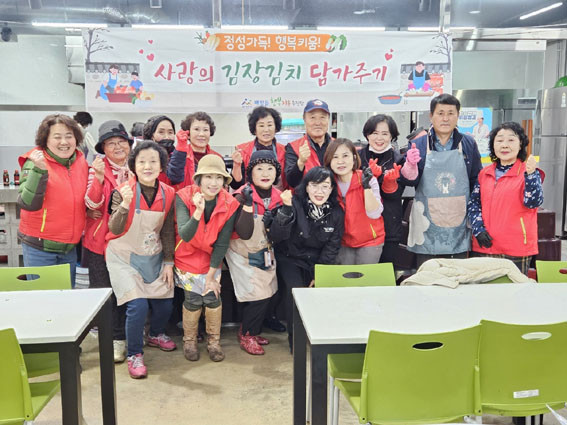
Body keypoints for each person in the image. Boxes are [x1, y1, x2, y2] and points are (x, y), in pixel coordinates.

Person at [105, 141, 177, 379]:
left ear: (161, 166)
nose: (148, 166)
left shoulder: (169, 194)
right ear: (134, 165)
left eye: (153, 161)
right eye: (142, 161)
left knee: (165, 301)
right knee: (138, 305)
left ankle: (155, 334)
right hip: (123, 257)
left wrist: (168, 262)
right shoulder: (122, 191)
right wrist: (125, 204)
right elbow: (114, 228)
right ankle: (134, 354)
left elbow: (167, 230)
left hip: (153, 255)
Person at [267, 167, 344, 351]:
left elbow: (332, 246)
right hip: (289, 257)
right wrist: (286, 209)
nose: (320, 191)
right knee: (295, 292)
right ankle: (296, 339)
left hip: (316, 261)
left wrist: (319, 273)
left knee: (320, 292)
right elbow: (276, 236)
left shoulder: (336, 213)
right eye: (314, 185)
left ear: (332, 189)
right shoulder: (294, 203)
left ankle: (320, 335)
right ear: (306, 187)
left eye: (325, 186)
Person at [175, 155, 240, 362]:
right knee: (193, 299)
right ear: (199, 179)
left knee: (212, 297)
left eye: (219, 177)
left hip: (212, 257)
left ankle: (214, 342)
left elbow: (222, 242)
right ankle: (189, 341)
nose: (214, 183)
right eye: (208, 177)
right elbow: (185, 235)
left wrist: (211, 275)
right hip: (187, 256)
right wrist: (198, 212)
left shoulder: (230, 203)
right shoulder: (183, 196)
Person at [406, 94, 482, 268]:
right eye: (440, 113)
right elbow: (410, 181)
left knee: (457, 275)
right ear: (431, 116)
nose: (445, 118)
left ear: (458, 115)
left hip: (458, 220)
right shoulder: (419, 144)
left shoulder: (468, 143)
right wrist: (409, 166)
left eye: (450, 113)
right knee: (427, 274)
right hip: (426, 222)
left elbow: (476, 180)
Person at [226, 151, 290, 355]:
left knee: (270, 291)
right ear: (250, 173)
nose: (265, 173)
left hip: (265, 251)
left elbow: (280, 233)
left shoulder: (280, 197)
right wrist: (246, 204)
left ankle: (251, 330)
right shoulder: (240, 195)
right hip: (241, 252)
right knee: (257, 295)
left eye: (270, 168)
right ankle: (247, 335)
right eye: (259, 168)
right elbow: (241, 232)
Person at [17, 114, 88, 287]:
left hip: (69, 248)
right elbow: (27, 203)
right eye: (57, 137)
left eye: (69, 136)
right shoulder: (35, 162)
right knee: (43, 298)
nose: (64, 142)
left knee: (65, 297)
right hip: (40, 248)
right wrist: (39, 171)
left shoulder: (80, 161)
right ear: (45, 140)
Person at [83, 120, 133, 363]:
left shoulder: (137, 169)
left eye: (122, 141)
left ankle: (125, 336)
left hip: (128, 243)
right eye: (111, 143)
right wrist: (100, 178)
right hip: (99, 243)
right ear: (103, 148)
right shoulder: (95, 169)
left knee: (126, 291)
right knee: (105, 293)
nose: (118, 147)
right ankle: (112, 340)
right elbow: (91, 204)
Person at [468, 122, 544, 275]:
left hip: (517, 248)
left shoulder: (529, 172)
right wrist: (478, 230)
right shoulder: (484, 173)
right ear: (493, 145)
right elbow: (474, 204)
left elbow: (533, 202)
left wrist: (530, 175)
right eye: (499, 140)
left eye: (511, 140)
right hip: (485, 245)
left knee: (514, 289)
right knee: (483, 289)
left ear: (520, 144)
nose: (504, 145)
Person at [358, 115, 421, 265]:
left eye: (385, 133)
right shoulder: (357, 158)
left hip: (390, 227)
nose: (379, 138)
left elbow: (409, 183)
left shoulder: (398, 159)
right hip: (360, 227)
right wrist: (368, 180)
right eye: (375, 133)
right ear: (367, 135)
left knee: (385, 271)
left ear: (392, 136)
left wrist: (410, 166)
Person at [324, 138, 385, 264]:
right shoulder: (328, 182)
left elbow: (374, 213)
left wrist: (366, 187)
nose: (340, 161)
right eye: (335, 157)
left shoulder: (367, 178)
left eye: (345, 156)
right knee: (345, 276)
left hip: (370, 240)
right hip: (342, 241)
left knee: (365, 276)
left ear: (354, 158)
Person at [230, 106, 288, 191]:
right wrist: (236, 165)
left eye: (270, 125)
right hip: (249, 197)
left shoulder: (285, 151)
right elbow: (236, 185)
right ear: (254, 129)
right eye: (261, 125)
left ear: (276, 128)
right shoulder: (242, 150)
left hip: (278, 197)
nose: (266, 129)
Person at [285, 99, 332, 188]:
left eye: (322, 117)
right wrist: (300, 162)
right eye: (312, 117)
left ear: (328, 119)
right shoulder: (293, 147)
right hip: (304, 196)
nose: (317, 123)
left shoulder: (338, 146)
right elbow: (291, 182)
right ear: (304, 119)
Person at [173, 111, 223, 190]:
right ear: (188, 133)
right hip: (184, 197)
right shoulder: (179, 155)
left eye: (205, 130)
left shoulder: (217, 157)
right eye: (196, 129)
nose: (201, 134)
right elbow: (173, 178)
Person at [142, 115, 185, 186]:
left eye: (170, 132)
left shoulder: (182, 156)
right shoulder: (142, 158)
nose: (167, 137)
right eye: (161, 132)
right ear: (152, 136)